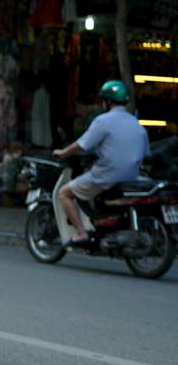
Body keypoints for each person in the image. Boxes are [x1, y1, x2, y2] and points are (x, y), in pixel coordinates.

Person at [51, 79, 150, 246]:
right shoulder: (137, 123)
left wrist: (62, 153)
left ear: (107, 101)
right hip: (132, 177)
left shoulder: (103, 121)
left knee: (64, 193)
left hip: (107, 175)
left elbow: (81, 144)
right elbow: (146, 153)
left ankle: (81, 233)